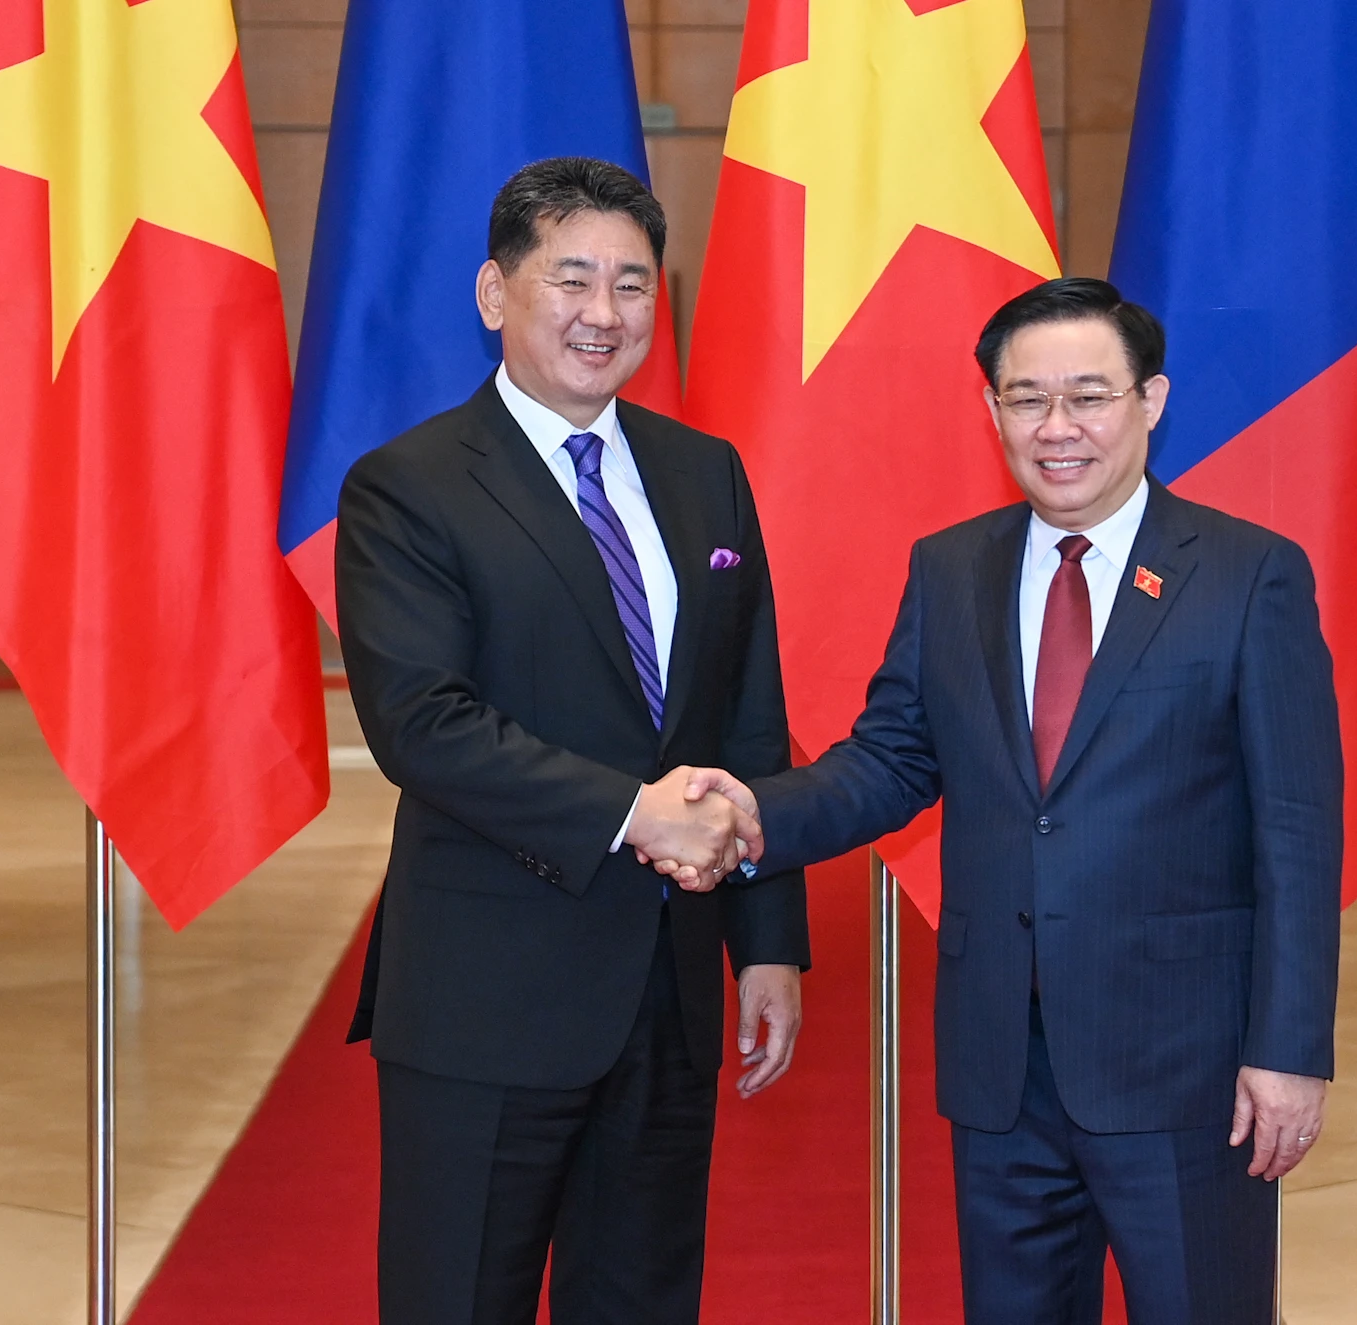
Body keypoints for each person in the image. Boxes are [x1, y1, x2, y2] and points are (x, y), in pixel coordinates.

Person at [654, 278, 1342, 1324]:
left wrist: (1288, 1050)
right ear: (992, 411)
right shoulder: (952, 569)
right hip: (999, 1076)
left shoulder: (1249, 577)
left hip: (1185, 1074)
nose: (1057, 428)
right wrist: (752, 812)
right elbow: (891, 760)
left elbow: (1297, 829)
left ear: (1151, 400)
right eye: (1026, 399)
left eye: (1089, 396)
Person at [335, 156, 807, 1325]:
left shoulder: (706, 476)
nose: (606, 313)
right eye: (574, 279)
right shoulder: (409, 487)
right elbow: (422, 722)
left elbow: (748, 715)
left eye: (634, 284)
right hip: (488, 994)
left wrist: (768, 939)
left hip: (668, 990)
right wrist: (635, 811)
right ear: (497, 293)